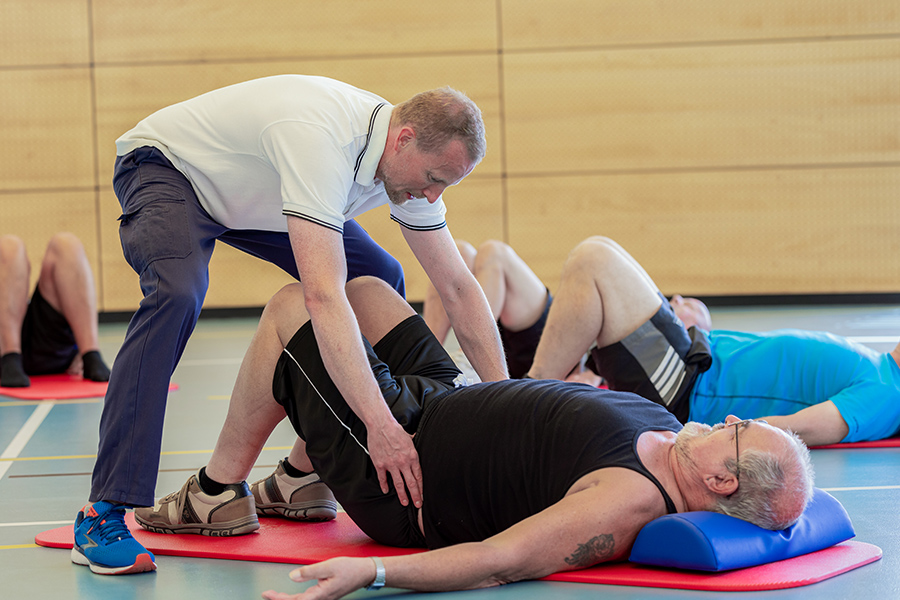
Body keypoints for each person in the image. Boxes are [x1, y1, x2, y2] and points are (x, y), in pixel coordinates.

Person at [133, 275, 813, 600]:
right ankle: (300, 481)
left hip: (399, 475)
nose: (728, 419)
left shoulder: (627, 498)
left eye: (741, 432)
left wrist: (370, 571)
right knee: (365, 291)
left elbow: (499, 559)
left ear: (722, 481)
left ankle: (217, 493)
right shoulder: (670, 434)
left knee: (294, 308)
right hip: (443, 402)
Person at [72, 75, 508, 576]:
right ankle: (101, 512)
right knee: (176, 293)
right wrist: (381, 426)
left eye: (445, 186)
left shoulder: (408, 167)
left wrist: (507, 402)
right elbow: (322, 296)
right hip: (171, 171)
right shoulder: (320, 138)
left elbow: (456, 287)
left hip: (254, 197)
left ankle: (301, 475)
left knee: (376, 280)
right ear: (404, 137)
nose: (431, 197)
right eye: (433, 179)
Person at [433, 236, 900, 448]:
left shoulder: (886, 393)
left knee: (593, 259)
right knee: (474, 256)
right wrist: (703, 329)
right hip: (695, 360)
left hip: (689, 392)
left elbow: (807, 427)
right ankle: (442, 375)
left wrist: (706, 438)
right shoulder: (877, 365)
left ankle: (508, 402)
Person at [0, 233, 110, 388]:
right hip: (3, 343)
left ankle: (90, 355)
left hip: (51, 349)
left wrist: (78, 347)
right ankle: (10, 358)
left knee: (66, 244)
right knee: (9, 247)